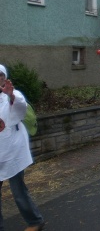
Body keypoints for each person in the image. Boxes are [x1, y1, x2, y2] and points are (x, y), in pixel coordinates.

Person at [0, 64, 45, 231]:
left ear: (4, 78)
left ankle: (35, 221)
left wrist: (11, 96)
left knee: (18, 191)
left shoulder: (13, 95)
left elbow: (20, 108)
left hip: (13, 152)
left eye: (0, 75)